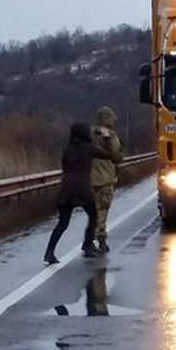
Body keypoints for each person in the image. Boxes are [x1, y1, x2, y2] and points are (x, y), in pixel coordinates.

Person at [44, 123, 115, 264]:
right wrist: (106, 138)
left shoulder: (67, 150)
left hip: (66, 189)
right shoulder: (88, 148)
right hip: (82, 189)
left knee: (62, 223)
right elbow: (109, 155)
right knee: (93, 216)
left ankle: (49, 252)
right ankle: (88, 245)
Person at [91, 107, 125, 253]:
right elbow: (117, 155)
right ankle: (101, 239)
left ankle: (89, 239)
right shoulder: (110, 135)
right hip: (105, 177)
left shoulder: (89, 134)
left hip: (89, 177)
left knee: (92, 210)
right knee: (103, 210)